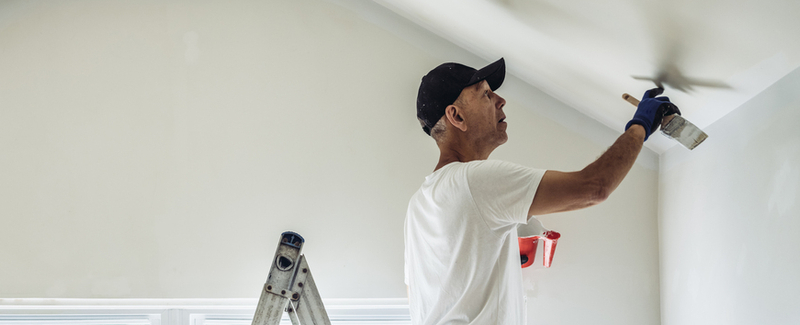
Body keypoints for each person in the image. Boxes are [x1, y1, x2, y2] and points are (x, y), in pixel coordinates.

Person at [404, 58, 671, 324]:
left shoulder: (419, 204)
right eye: (485, 94)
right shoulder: (473, 180)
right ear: (457, 116)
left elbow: (428, 287)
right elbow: (594, 187)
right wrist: (640, 126)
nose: (500, 100)